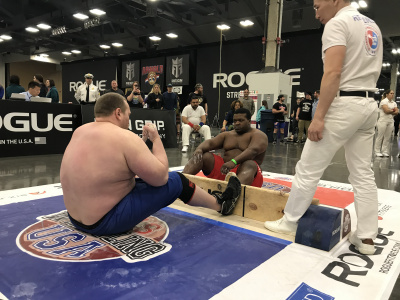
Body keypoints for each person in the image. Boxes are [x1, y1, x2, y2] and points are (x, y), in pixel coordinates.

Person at [265, 0, 383, 256]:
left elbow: (332, 74)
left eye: (318, 6)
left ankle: (289, 221)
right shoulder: (371, 25)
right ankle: (366, 238)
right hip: (368, 105)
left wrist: (318, 117)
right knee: (362, 173)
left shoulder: (338, 23)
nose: (316, 12)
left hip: (343, 105)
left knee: (308, 167)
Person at [60, 93, 242, 236]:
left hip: (76, 219)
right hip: (104, 223)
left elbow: (109, 168)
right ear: (118, 113)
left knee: (134, 178)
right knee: (177, 180)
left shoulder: (79, 131)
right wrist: (155, 139)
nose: (128, 121)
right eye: (128, 115)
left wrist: (139, 145)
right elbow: (161, 178)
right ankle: (221, 205)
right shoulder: (125, 137)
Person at [183, 108, 268, 187]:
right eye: (235, 121)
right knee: (203, 156)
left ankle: (232, 194)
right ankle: (181, 180)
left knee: (250, 163)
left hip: (248, 176)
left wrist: (234, 161)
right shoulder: (228, 134)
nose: (237, 123)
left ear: (249, 121)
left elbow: (253, 150)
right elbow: (210, 143)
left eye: (241, 120)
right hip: (225, 171)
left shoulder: (259, 135)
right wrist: (199, 149)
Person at [374, 90, 397, 157]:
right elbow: (386, 111)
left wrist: (391, 111)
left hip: (391, 121)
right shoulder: (383, 101)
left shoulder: (394, 103)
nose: (392, 95)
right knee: (380, 136)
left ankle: (384, 151)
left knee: (387, 137)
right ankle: (377, 151)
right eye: (391, 93)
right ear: (387, 94)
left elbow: (397, 112)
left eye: (393, 93)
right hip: (383, 121)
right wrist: (393, 110)